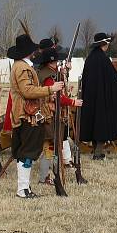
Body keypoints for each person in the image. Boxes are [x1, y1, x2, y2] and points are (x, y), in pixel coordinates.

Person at [8, 34, 63, 198]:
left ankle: (24, 188)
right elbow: (27, 91)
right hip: (27, 115)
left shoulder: (21, 66)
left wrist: (47, 96)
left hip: (26, 113)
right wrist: (50, 89)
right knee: (28, 153)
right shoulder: (23, 68)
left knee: (25, 152)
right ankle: (23, 190)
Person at [36, 48, 82, 185]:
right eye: (55, 61)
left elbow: (60, 87)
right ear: (50, 62)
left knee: (49, 147)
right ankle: (44, 177)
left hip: (49, 114)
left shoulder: (49, 73)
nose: (57, 63)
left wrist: (64, 73)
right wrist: (73, 102)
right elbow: (57, 97)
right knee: (49, 147)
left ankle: (45, 176)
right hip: (49, 115)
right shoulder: (48, 77)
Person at [80, 33, 117, 159]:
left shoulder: (90, 58)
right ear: (103, 44)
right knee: (101, 124)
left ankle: (97, 150)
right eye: (107, 43)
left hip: (90, 98)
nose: (108, 45)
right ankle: (98, 152)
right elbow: (112, 78)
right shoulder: (102, 58)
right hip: (101, 98)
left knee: (94, 124)